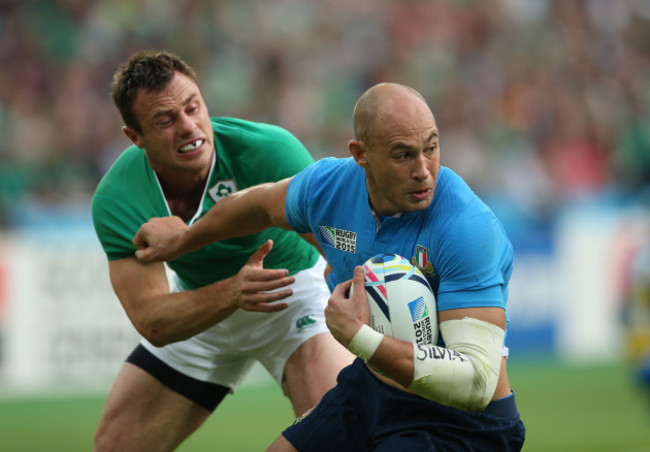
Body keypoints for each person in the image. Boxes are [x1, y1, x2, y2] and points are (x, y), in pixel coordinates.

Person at [134, 82, 526, 450]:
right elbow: (256, 204)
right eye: (403, 154)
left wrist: (358, 337)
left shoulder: (466, 227)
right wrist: (184, 239)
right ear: (360, 155)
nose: (424, 169)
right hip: (371, 391)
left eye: (432, 148)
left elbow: (475, 382)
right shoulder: (328, 189)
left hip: (463, 421)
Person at [91, 50, 353, 451]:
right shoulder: (119, 197)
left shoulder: (270, 150)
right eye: (165, 119)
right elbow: (153, 321)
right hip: (201, 311)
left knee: (340, 436)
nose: (188, 126)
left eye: (193, 107)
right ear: (135, 137)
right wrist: (234, 291)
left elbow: (339, 250)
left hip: (293, 296)